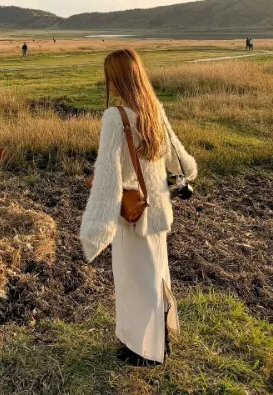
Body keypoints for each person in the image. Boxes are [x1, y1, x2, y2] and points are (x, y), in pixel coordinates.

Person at [80, 49, 197, 366]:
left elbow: (108, 175)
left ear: (115, 78)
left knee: (135, 282)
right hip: (159, 209)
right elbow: (180, 160)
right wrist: (185, 175)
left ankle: (143, 351)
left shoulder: (114, 117)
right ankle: (159, 340)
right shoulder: (154, 110)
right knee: (156, 275)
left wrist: (94, 230)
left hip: (132, 213)